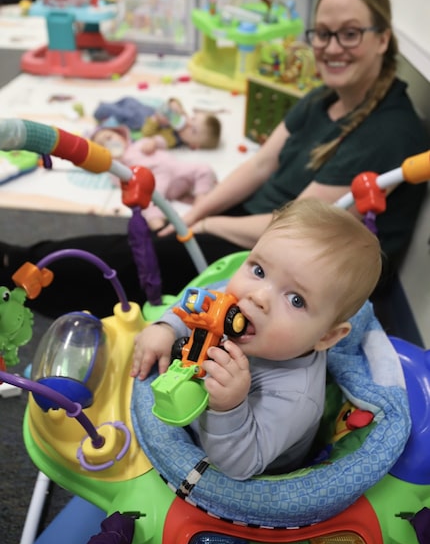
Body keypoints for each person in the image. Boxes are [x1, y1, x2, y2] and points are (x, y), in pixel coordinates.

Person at [0, 0, 428, 322]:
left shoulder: (389, 132)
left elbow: (295, 233)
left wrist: (207, 226)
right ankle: (20, 261)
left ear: (383, 39)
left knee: (117, 264)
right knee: (139, 241)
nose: (332, 48)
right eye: (324, 34)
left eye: (350, 34)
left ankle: (15, 270)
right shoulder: (324, 97)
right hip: (253, 227)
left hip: (282, 261)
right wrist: (196, 212)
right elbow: (261, 164)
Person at [131, 198, 382, 480]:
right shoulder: (242, 303)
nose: (258, 297)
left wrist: (230, 406)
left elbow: (239, 466)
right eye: (259, 271)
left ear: (326, 336)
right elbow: (203, 301)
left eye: (296, 299)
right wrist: (167, 327)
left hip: (240, 471)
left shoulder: (295, 396)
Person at [91, 124, 217, 230]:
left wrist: (153, 142)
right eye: (103, 145)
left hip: (176, 169)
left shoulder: (141, 143)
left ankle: (199, 208)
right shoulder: (117, 165)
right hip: (155, 180)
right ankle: (160, 230)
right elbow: (121, 182)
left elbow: (162, 142)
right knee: (146, 204)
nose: (108, 143)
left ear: (122, 136)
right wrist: (116, 164)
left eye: (109, 137)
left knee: (204, 169)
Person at [94, 96, 222, 153]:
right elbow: (174, 100)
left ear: (194, 145)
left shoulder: (171, 139)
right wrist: (174, 104)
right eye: (193, 119)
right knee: (130, 101)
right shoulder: (182, 116)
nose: (188, 124)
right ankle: (118, 103)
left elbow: (147, 134)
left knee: (123, 113)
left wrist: (155, 120)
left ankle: (101, 109)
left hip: (140, 121)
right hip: (146, 109)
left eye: (193, 131)